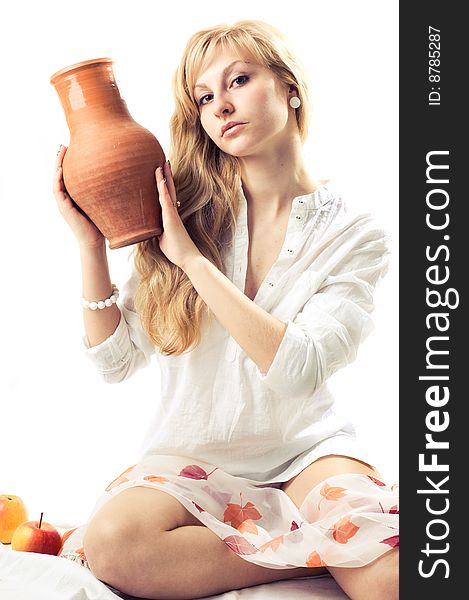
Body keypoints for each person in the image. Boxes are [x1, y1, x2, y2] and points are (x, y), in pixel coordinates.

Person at [53, 19, 398, 600]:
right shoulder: (182, 211)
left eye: (238, 80)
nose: (220, 106)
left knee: (390, 582)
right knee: (114, 543)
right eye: (204, 97)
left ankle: (326, 540)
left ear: (290, 87)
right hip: (191, 464)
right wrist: (90, 245)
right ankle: (318, 552)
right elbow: (114, 363)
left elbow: (298, 370)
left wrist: (193, 263)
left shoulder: (355, 234)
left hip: (307, 454)